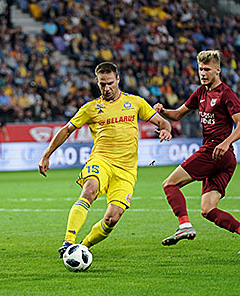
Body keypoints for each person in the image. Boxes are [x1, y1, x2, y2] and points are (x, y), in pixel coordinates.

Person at [38, 62, 172, 257]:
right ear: (97, 82)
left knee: (112, 218)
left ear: (118, 80)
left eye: (110, 83)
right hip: (101, 160)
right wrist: (46, 154)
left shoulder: (135, 103)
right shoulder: (90, 108)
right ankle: (68, 242)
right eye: (102, 84)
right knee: (90, 188)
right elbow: (67, 130)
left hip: (126, 171)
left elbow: (162, 122)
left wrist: (166, 130)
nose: (106, 88)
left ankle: (82, 248)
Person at [153, 50, 240, 254]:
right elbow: (177, 115)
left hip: (215, 150)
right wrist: (162, 111)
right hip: (223, 157)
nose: (203, 73)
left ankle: (184, 225)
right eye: (200, 69)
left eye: (207, 69)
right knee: (208, 209)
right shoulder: (201, 92)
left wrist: (226, 142)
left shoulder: (226, 94)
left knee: (169, 184)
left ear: (218, 70)